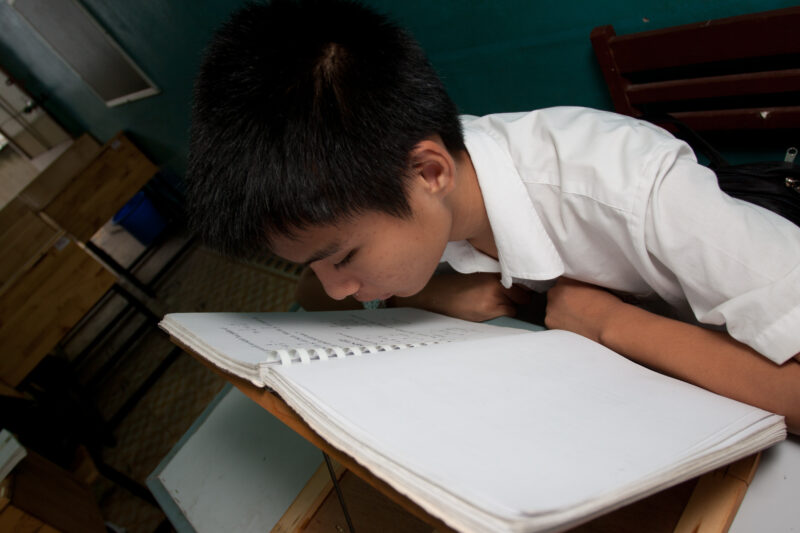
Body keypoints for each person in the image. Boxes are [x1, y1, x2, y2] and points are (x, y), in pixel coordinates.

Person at [185, 0, 800, 433]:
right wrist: (446, 294)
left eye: (344, 257)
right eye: (321, 262)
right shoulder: (405, 188)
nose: (337, 284)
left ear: (430, 174)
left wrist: (609, 323)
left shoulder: (630, 188)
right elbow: (314, 296)